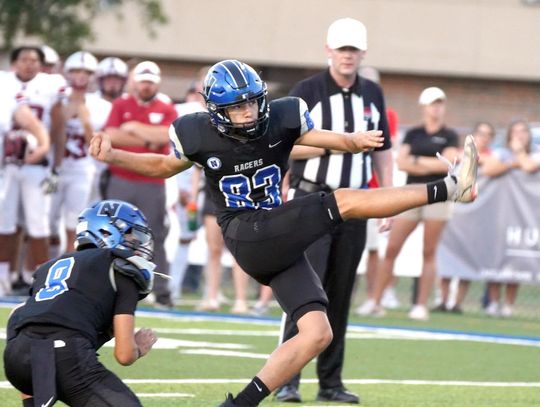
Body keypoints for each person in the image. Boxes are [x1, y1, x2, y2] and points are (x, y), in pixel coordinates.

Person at [90, 59, 479, 407]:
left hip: (276, 236)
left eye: (252, 101)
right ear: (216, 111)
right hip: (245, 231)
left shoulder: (282, 116)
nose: (248, 111)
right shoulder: (196, 133)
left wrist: (353, 141)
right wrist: (114, 155)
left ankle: (240, 404)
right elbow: (162, 166)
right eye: (237, 106)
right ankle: (448, 188)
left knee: (316, 332)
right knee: (342, 201)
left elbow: (326, 139)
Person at [275, 18, 393, 404]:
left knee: (340, 294)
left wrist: (388, 197)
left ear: (362, 54)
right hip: (314, 200)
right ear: (329, 50)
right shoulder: (307, 91)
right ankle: (288, 378)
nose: (347, 56)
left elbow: (383, 151)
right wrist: (339, 144)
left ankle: (330, 381)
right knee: (306, 294)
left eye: (353, 50)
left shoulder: (373, 93)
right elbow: (284, 146)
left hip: (355, 205)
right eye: (341, 48)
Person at [3, 199, 158, 406]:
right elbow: (124, 354)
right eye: (131, 235)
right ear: (107, 232)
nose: (137, 244)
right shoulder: (121, 268)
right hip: (63, 353)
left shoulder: (50, 267)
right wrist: (138, 347)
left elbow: (21, 315)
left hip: (16, 357)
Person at [357, 86, 460, 321]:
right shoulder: (414, 134)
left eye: (440, 103)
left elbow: (446, 165)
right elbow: (402, 162)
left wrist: (416, 160)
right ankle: (375, 301)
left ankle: (420, 305)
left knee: (429, 251)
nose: (437, 108)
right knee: (392, 247)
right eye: (433, 103)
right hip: (413, 193)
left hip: (439, 194)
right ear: (424, 106)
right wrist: (423, 162)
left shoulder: (450, 134)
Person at [103, 60, 177, 308]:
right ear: (135, 81)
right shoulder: (121, 103)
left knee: (155, 233)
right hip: (121, 177)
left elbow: (168, 135)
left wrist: (135, 128)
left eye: (150, 82)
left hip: (152, 179)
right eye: (143, 81)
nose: (146, 86)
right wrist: (150, 138)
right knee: (113, 232)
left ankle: (162, 289)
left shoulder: (165, 107)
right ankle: (109, 282)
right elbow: (111, 135)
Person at [0, 46, 65, 294]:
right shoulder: (5, 84)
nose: (29, 64)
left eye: (34, 60)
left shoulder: (50, 86)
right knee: (4, 223)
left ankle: (40, 277)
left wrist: (54, 164)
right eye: (24, 59)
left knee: (39, 224)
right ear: (14, 63)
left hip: (36, 166)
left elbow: (54, 127)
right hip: (6, 165)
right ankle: (4, 276)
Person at [49, 51, 112, 256]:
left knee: (74, 221)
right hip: (53, 169)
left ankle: (68, 265)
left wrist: (85, 121)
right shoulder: (55, 99)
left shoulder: (102, 106)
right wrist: (65, 114)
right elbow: (48, 138)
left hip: (84, 170)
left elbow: (95, 145)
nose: (81, 76)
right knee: (45, 222)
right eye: (75, 70)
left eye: (86, 71)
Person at [436, 121, 497, 313]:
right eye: (480, 133)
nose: (483, 137)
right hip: (453, 212)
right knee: (445, 255)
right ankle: (443, 300)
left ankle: (457, 303)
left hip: (475, 216)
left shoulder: (493, 156)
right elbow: (448, 159)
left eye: (488, 134)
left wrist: (476, 161)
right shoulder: (459, 153)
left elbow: (493, 166)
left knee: (465, 258)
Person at [484, 119, 540, 317]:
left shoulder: (534, 153)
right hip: (501, 212)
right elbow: (488, 169)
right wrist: (511, 162)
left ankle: (508, 304)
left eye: (523, 131)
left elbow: (529, 167)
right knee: (495, 257)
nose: (519, 135)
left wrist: (518, 154)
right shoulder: (501, 153)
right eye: (515, 131)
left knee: (516, 258)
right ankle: (492, 302)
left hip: (523, 215)